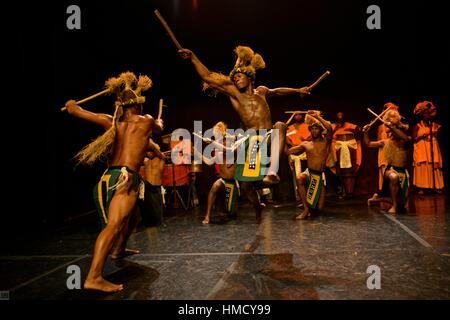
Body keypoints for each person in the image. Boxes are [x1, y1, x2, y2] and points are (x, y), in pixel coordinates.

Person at [179, 45, 310, 219]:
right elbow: (208, 77)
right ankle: (258, 209)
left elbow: (277, 91)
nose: (237, 80)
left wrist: (298, 90)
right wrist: (193, 57)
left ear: (250, 77)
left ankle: (272, 171)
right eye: (235, 77)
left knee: (280, 125)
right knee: (246, 186)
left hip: (269, 137)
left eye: (240, 77)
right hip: (252, 140)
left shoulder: (261, 91)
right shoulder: (235, 94)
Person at [65, 71, 163, 292]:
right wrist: (159, 121)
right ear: (137, 105)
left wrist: (71, 106)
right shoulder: (146, 121)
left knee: (135, 215)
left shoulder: (111, 122)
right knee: (113, 226)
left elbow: (77, 111)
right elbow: (159, 129)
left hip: (107, 178)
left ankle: (119, 249)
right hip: (125, 179)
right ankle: (94, 277)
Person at [363, 109, 411, 214]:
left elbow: (406, 139)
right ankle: (394, 206)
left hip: (403, 173)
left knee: (401, 201)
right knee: (394, 177)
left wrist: (392, 126)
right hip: (390, 170)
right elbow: (368, 144)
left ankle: (376, 199)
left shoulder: (405, 140)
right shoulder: (384, 142)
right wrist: (366, 133)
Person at [287, 111, 332, 219]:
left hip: (320, 175)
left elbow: (329, 128)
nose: (314, 131)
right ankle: (306, 209)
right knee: (299, 178)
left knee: (319, 209)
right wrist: (281, 134)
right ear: (310, 131)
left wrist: (317, 117)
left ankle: (310, 207)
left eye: (317, 128)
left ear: (321, 130)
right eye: (312, 129)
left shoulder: (326, 141)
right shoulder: (306, 144)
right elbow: (288, 151)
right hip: (309, 172)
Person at [194, 122, 240, 224]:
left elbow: (227, 150)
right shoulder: (219, 151)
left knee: (231, 214)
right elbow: (209, 162)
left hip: (233, 182)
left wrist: (212, 142)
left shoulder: (234, 146)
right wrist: (197, 152)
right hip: (223, 180)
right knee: (215, 186)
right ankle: (207, 216)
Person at [412, 101, 444, 193]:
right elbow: (413, 139)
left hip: (432, 146)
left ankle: (436, 186)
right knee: (423, 166)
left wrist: (435, 132)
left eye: (428, 114)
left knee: (433, 165)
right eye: (425, 114)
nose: (427, 116)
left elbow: (438, 137)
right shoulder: (417, 126)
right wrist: (422, 135)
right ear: (422, 115)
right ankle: (421, 187)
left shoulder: (436, 125)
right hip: (421, 148)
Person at [329, 112, 361, 198]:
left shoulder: (349, 125)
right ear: (335, 117)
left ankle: (349, 191)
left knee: (349, 170)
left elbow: (358, 129)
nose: (340, 117)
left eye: (342, 116)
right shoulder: (332, 126)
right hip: (337, 149)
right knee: (338, 169)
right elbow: (328, 135)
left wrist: (353, 130)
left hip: (350, 149)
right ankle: (341, 190)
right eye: (338, 116)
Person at [139, 139, 167, 227]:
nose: (148, 154)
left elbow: (157, 152)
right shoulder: (146, 161)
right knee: (146, 205)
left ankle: (160, 222)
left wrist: (153, 145)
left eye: (150, 152)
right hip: (148, 185)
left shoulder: (161, 158)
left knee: (159, 207)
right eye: (147, 152)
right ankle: (146, 222)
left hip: (157, 186)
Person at [286, 112, 311, 203]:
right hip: (295, 154)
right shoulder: (290, 128)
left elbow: (311, 137)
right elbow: (287, 140)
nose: (298, 116)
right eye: (296, 115)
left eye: (300, 114)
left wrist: (303, 143)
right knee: (296, 175)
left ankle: (309, 196)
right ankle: (299, 197)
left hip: (306, 152)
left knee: (307, 174)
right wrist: (295, 146)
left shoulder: (307, 126)